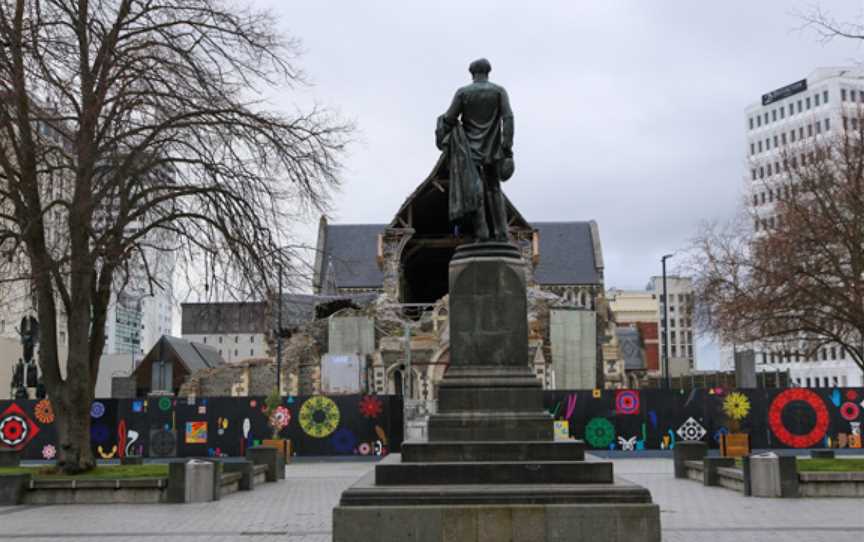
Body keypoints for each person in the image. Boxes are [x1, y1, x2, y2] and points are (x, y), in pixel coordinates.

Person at [436, 58, 514, 241]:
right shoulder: (499, 91)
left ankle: (482, 233)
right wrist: (506, 146)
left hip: (469, 149)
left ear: (472, 74)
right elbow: (508, 118)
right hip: (494, 148)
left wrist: (442, 125)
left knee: (474, 188)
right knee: (494, 188)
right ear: (488, 72)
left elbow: (449, 118)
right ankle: (502, 233)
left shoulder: (463, 93)